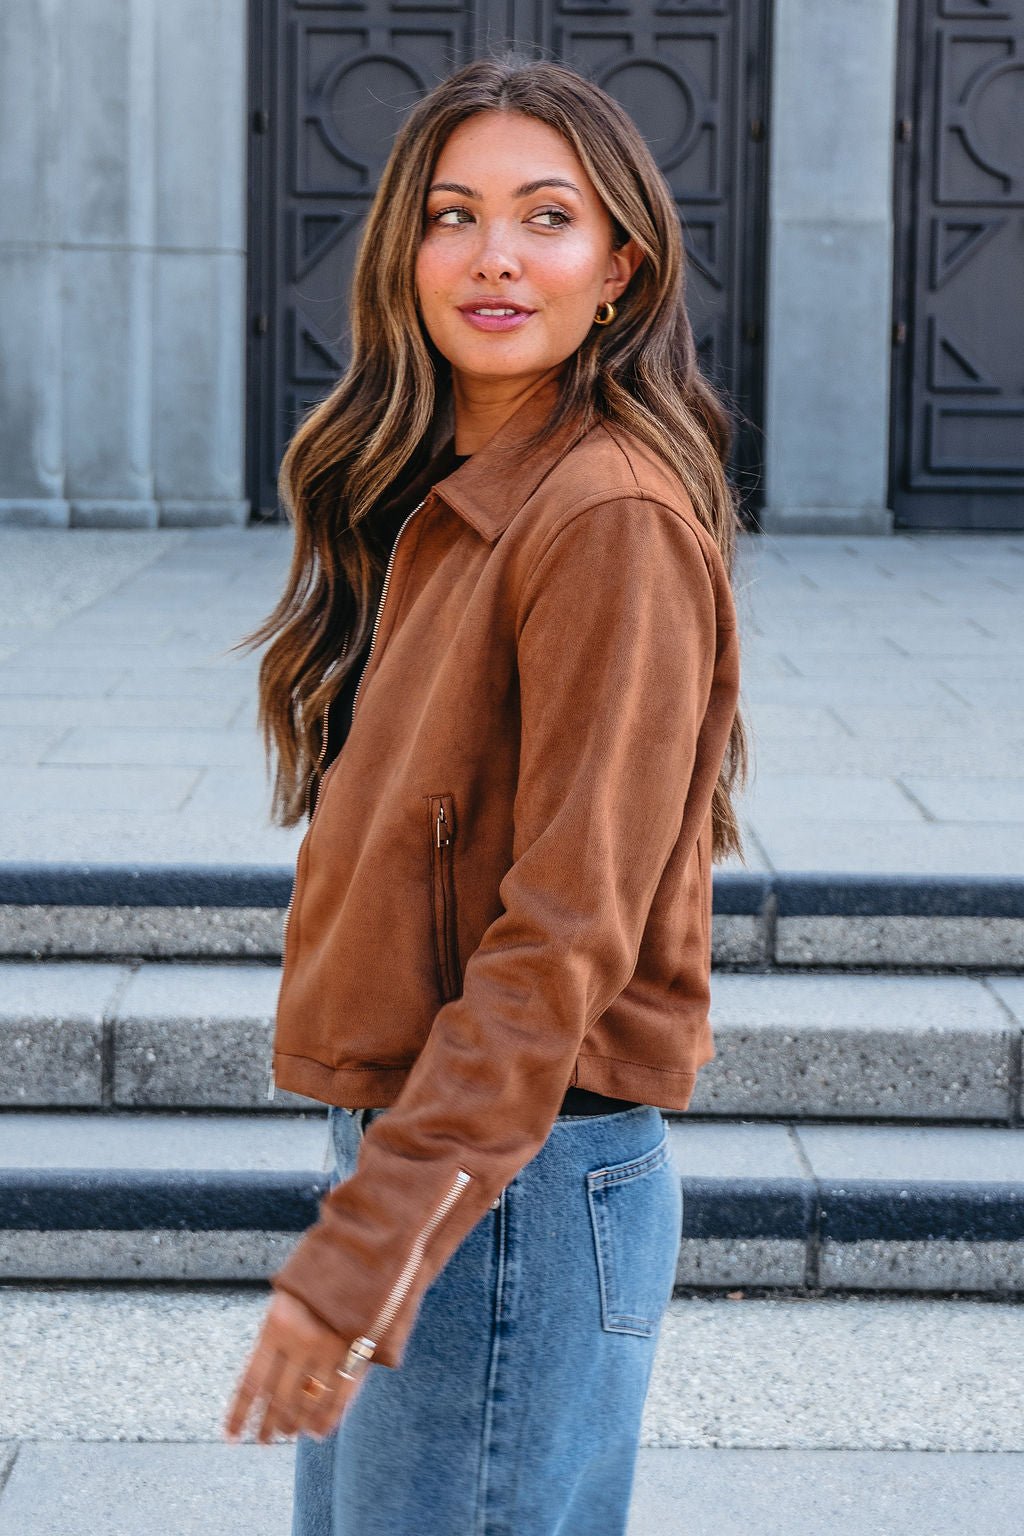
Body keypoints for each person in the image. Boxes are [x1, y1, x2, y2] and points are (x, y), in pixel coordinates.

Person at [223, 49, 749, 1535]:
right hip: (450, 1156)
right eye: (454, 214)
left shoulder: (605, 518)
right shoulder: (455, 495)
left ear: (621, 268)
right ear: (403, 250)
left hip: (509, 1181)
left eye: (548, 215)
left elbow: (563, 935)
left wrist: (364, 1249)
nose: (496, 255)